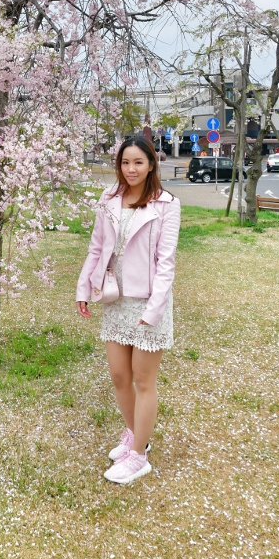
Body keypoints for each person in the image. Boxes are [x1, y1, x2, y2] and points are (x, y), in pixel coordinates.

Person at [76, 135, 180, 485]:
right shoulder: (109, 198)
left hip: (148, 302)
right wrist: (84, 288)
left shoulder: (167, 204)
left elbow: (166, 263)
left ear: (151, 165)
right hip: (115, 298)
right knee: (120, 376)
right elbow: (96, 247)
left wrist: (154, 310)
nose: (131, 169)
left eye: (138, 162)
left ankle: (139, 456)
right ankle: (135, 434)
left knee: (143, 380)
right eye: (125, 162)